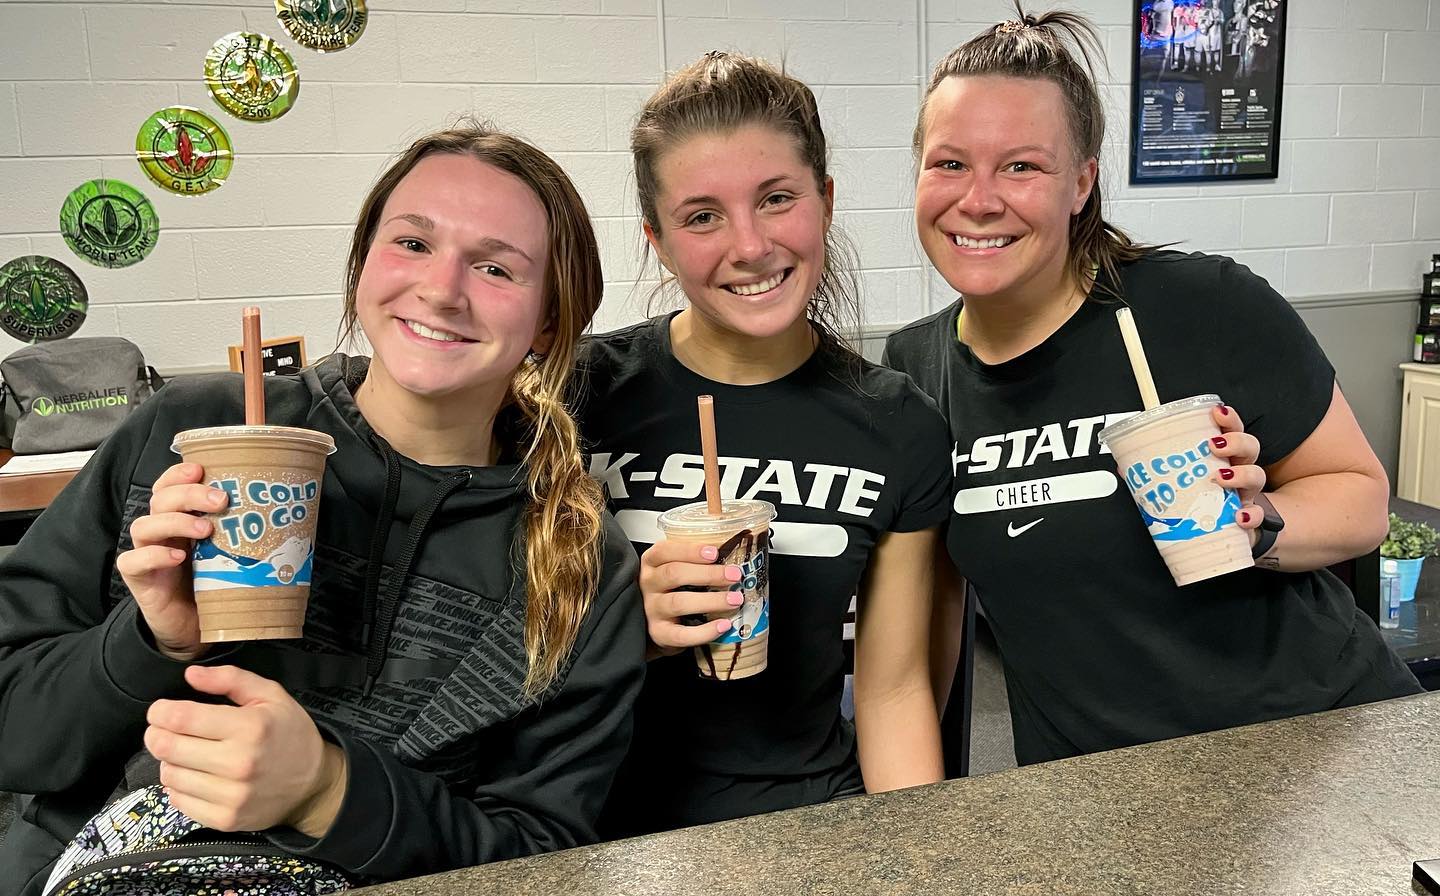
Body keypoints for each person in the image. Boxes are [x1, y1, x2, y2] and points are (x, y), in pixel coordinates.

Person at [0, 124, 645, 894]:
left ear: (549, 321)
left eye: (496, 267)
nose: (442, 289)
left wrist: (329, 791)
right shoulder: (183, 434)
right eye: (412, 243)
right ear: (363, 262)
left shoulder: (584, 567)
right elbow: (14, 735)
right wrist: (151, 641)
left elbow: (546, 864)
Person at [884, 6, 1423, 768]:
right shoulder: (916, 370)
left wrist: (1256, 521)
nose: (978, 199)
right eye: (949, 163)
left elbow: (1361, 498)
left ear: (1081, 183)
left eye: (1022, 166)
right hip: (1105, 789)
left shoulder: (1202, 305)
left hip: (1318, 742)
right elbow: (925, 628)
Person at [575, 52, 949, 836]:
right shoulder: (576, 398)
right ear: (657, 239)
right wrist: (620, 628)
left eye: (776, 199)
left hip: (805, 823)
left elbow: (891, 691)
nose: (749, 245)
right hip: (596, 832)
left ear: (825, 201)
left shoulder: (898, 425)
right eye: (702, 216)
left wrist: (921, 854)